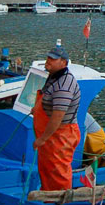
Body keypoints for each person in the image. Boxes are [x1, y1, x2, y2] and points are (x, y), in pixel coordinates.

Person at [32, 47, 82, 191]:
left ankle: (60, 199)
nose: (48, 61)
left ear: (63, 63)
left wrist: (42, 139)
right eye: (48, 58)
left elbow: (57, 116)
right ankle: (47, 194)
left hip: (61, 135)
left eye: (53, 59)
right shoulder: (54, 76)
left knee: (58, 171)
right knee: (47, 168)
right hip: (50, 135)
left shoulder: (64, 85)